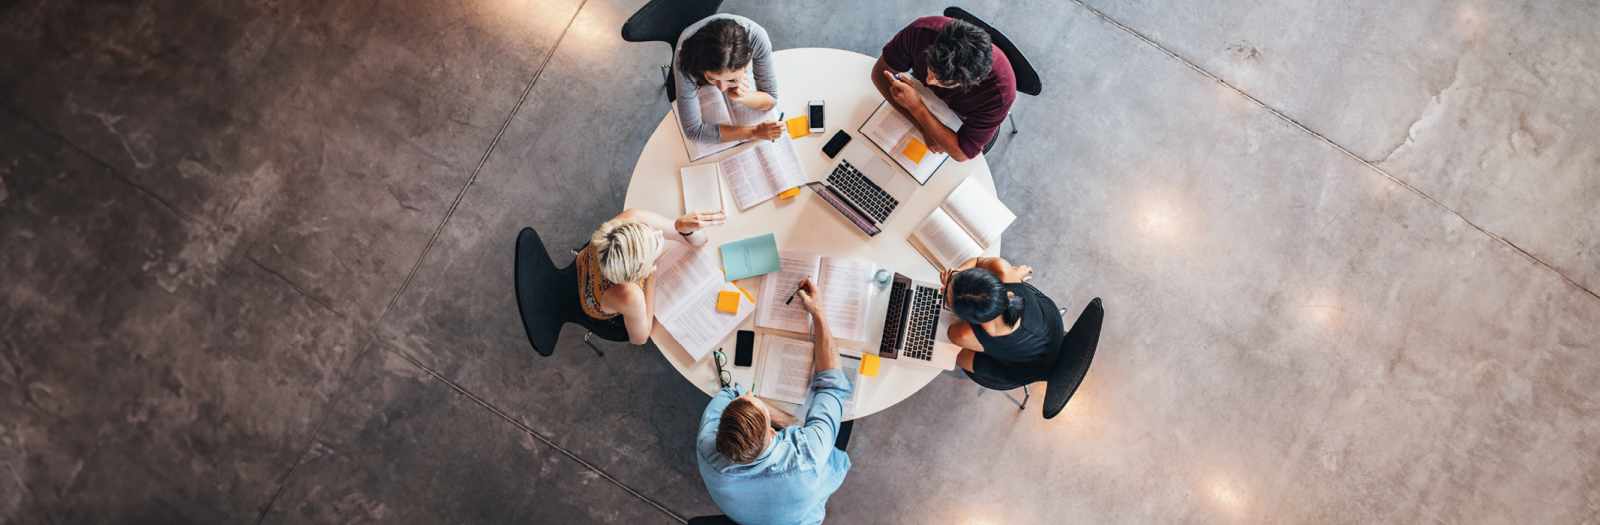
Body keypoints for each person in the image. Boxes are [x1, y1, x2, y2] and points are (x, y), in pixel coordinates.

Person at [697, 278, 851, 525]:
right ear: (773, 431)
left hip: (745, 515)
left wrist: (784, 419)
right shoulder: (807, 458)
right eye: (753, 399)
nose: (749, 394)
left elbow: (729, 394)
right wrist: (818, 313)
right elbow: (832, 383)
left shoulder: (707, 446)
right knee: (846, 421)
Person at [870, 16, 1016, 162]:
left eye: (942, 80)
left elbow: (961, 154)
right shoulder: (920, 31)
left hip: (960, 117)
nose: (929, 80)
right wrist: (922, 127)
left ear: (971, 82)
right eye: (930, 68)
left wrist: (917, 108)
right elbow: (879, 74)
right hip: (925, 98)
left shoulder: (1000, 94)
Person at [577, 208, 726, 345]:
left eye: (646, 229)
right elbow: (640, 339)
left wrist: (683, 228)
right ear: (642, 270)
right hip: (592, 301)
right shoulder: (630, 295)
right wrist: (652, 271)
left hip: (591, 264)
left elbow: (699, 241)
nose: (659, 233)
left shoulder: (631, 218)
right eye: (654, 244)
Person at [941, 257, 1062, 386]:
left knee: (948, 354)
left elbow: (957, 335)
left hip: (1030, 370)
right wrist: (956, 275)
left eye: (945, 299)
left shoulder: (960, 334)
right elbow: (976, 261)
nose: (942, 289)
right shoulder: (1002, 268)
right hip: (1052, 324)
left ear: (969, 318)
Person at [675, 14, 784, 143]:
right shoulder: (685, 61)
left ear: (748, 61)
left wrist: (742, 96)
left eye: (731, 80)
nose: (722, 89)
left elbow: (771, 100)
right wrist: (755, 132)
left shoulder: (757, 37)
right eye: (711, 78)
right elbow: (693, 132)